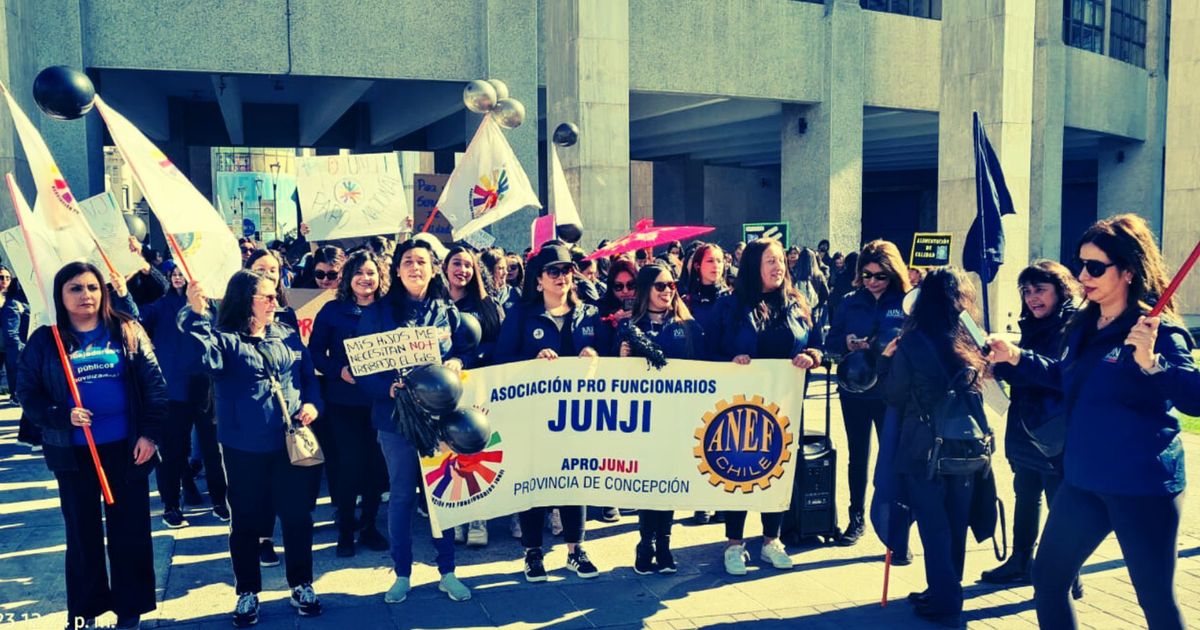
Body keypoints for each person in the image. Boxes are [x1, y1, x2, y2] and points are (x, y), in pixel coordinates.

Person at [987, 214, 1200, 630]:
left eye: (1095, 267)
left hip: (1142, 487)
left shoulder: (1157, 331)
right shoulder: (1082, 325)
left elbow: (1194, 398)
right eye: (1081, 264)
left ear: (1127, 272)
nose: (1083, 275)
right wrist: (1016, 357)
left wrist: (1153, 364)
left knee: (1155, 601)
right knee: (1047, 579)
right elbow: (1065, 378)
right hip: (1083, 480)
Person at [18, 261, 166, 630]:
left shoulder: (127, 329)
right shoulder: (45, 339)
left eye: (92, 287)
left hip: (127, 449)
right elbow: (27, 393)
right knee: (82, 533)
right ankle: (84, 611)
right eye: (75, 289)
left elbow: (155, 387)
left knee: (129, 530)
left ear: (103, 291)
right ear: (61, 296)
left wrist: (149, 435)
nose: (86, 295)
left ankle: (129, 608)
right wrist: (59, 415)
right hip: (74, 452)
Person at [181, 270, 325, 626]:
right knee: (245, 520)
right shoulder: (225, 340)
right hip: (243, 447)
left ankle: (302, 584)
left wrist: (312, 404)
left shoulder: (288, 334)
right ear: (247, 300)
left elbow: (307, 377)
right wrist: (197, 315)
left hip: (289, 443)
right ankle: (247, 591)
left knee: (297, 516)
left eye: (275, 295)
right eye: (267, 296)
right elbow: (206, 360)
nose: (275, 302)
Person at [355, 238, 474, 605]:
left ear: (433, 268)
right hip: (395, 422)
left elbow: (463, 348)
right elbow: (363, 370)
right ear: (397, 268)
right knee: (403, 497)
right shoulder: (377, 313)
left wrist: (457, 362)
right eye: (408, 261)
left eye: (422, 261)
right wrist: (386, 389)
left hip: (440, 421)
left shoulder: (444, 310)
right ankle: (402, 574)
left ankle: (448, 572)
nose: (415, 267)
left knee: (443, 496)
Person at [877, 267, 987, 626]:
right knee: (955, 522)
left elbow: (893, 394)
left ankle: (944, 597)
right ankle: (946, 588)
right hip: (966, 445)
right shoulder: (969, 339)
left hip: (922, 447)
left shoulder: (911, 342)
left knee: (933, 525)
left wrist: (886, 360)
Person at [494, 243, 609, 583]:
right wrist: (531, 363)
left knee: (575, 480)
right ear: (539, 279)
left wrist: (595, 353)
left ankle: (576, 549)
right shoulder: (521, 315)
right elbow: (501, 362)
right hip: (534, 417)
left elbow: (615, 360)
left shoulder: (588, 314)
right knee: (536, 481)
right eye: (554, 271)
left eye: (567, 270)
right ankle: (532, 552)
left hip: (579, 416)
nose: (562, 277)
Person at [719, 238, 821, 576]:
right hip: (741, 406)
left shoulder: (797, 303)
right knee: (740, 468)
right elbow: (711, 348)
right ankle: (734, 544)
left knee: (776, 468)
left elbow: (818, 341)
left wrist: (813, 356)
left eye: (780, 260)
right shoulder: (732, 306)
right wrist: (731, 359)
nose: (778, 266)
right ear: (753, 267)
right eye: (769, 261)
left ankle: (770, 540)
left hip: (785, 404)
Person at [980, 261, 1082, 597]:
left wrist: (1017, 358)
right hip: (1025, 425)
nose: (1032, 297)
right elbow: (1027, 370)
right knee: (1025, 494)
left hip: (1055, 431)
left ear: (1060, 290)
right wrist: (1001, 368)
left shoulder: (1072, 324)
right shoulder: (1033, 324)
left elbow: (1059, 375)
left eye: (1040, 289)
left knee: (1060, 503)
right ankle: (1020, 560)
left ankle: (1069, 573)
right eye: (1026, 290)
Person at [617, 262, 703, 575]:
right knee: (648, 482)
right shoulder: (629, 325)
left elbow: (704, 365)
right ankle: (645, 543)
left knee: (668, 481)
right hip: (643, 418)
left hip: (677, 415)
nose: (667, 291)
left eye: (671, 285)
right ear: (645, 290)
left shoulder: (687, 324)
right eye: (660, 286)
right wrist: (622, 359)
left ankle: (665, 544)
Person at [827, 240, 910, 546]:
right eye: (867, 275)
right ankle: (856, 517)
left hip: (890, 390)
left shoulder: (904, 301)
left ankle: (896, 527)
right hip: (855, 389)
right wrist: (845, 343)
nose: (873, 281)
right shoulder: (850, 301)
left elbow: (915, 342)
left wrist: (881, 345)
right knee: (857, 456)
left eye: (880, 276)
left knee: (893, 459)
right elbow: (831, 342)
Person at [309, 251, 391, 558]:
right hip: (343, 403)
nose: (365, 279)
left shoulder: (388, 311)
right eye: (359, 273)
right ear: (348, 278)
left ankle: (369, 526)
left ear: (380, 277)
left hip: (380, 401)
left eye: (371, 273)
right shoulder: (332, 311)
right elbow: (314, 352)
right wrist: (337, 371)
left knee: (374, 467)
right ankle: (346, 527)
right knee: (348, 467)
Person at [141, 261, 229, 528]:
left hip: (208, 388)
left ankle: (220, 500)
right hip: (173, 389)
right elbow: (134, 316)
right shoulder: (161, 305)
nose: (179, 277)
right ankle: (170, 504)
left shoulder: (213, 307)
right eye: (174, 273)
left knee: (214, 451)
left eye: (184, 273)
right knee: (171, 451)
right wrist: (122, 293)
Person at [442, 245, 505, 547]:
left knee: (475, 450)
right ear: (444, 267)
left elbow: (498, 345)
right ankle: (455, 516)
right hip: (441, 393)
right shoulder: (433, 303)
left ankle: (478, 516)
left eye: (468, 265)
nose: (462, 270)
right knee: (448, 451)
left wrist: (467, 360)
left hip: (477, 385)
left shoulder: (485, 304)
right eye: (457, 263)